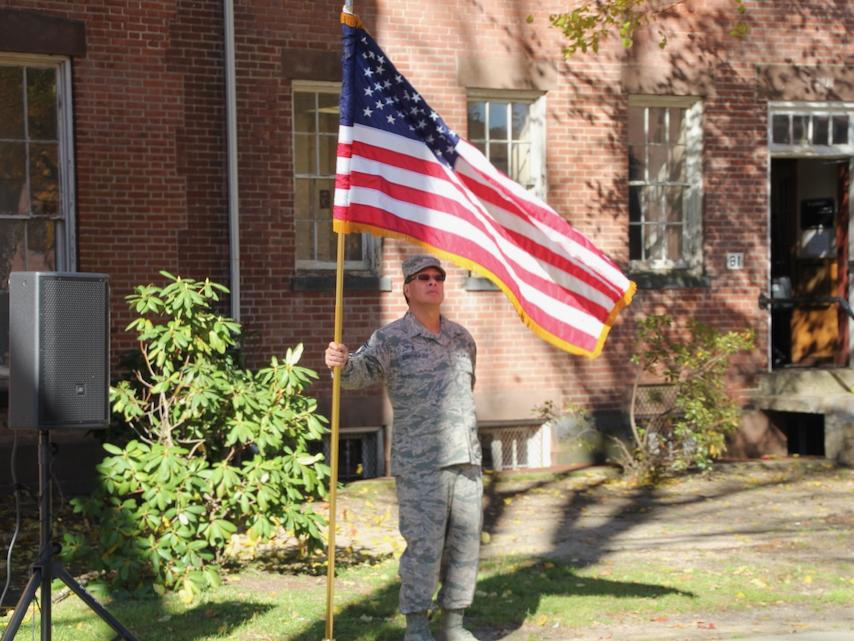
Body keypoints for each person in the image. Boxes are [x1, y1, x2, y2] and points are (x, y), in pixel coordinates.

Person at [325, 254, 482, 641]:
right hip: (421, 463)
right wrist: (340, 363)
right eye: (423, 277)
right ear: (407, 289)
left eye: (439, 277)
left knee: (464, 545)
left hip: (465, 458)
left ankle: (455, 623)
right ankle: (417, 626)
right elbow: (356, 375)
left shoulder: (462, 338)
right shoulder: (391, 339)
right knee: (424, 547)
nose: (433, 283)